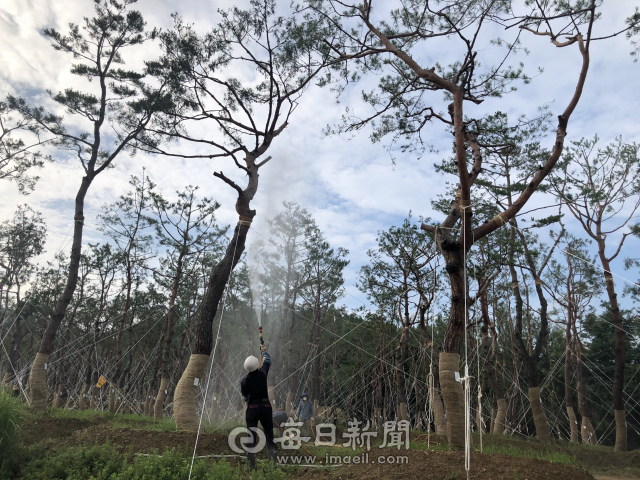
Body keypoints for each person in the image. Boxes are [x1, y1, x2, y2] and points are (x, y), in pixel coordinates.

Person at [240, 344, 276, 469]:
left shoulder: (244, 380)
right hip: (266, 407)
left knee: (251, 436)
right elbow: (268, 361)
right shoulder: (262, 374)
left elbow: (245, 396)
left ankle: (251, 466)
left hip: (252, 409)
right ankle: (273, 465)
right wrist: (264, 351)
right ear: (256, 365)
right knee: (269, 436)